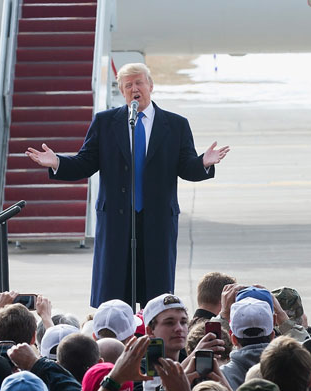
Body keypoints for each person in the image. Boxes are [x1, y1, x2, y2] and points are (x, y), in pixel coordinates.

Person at [25, 62, 229, 307]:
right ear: (121, 91)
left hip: (157, 220)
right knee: (114, 292)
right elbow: (86, 163)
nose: (135, 88)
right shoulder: (105, 122)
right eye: (128, 85)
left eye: (139, 82)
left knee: (156, 292)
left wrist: (203, 163)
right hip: (117, 221)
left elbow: (185, 167)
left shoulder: (175, 124)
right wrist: (57, 161)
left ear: (150, 86)